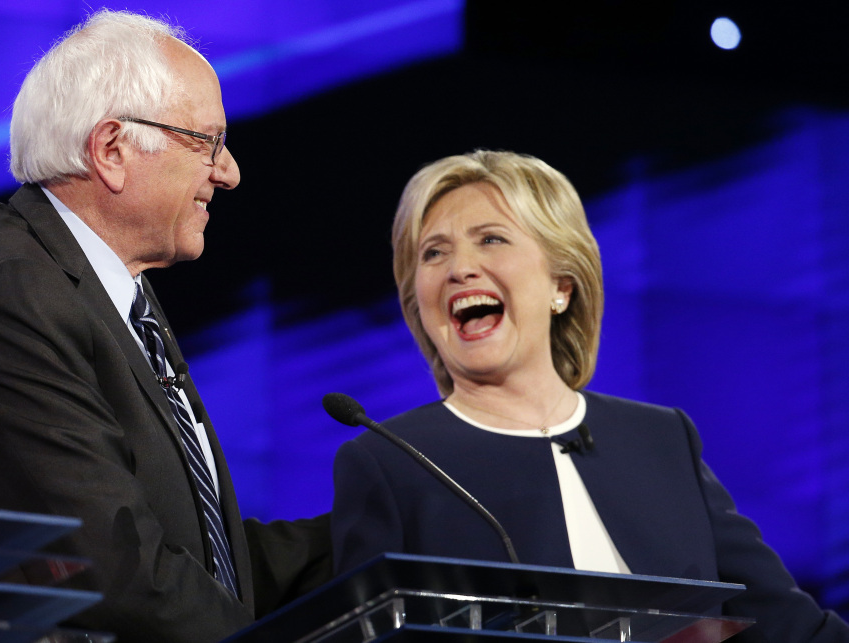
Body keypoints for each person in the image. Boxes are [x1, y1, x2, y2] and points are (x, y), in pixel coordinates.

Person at [0, 10, 329, 643]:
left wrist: (383, 522)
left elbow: (194, 553)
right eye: (207, 142)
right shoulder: (12, 296)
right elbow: (116, 568)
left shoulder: (107, 291)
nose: (227, 172)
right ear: (113, 150)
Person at [331, 150, 849, 641]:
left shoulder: (662, 438)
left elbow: (789, 627)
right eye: (433, 252)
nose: (458, 268)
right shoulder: (390, 461)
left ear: (562, 285)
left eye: (490, 239)